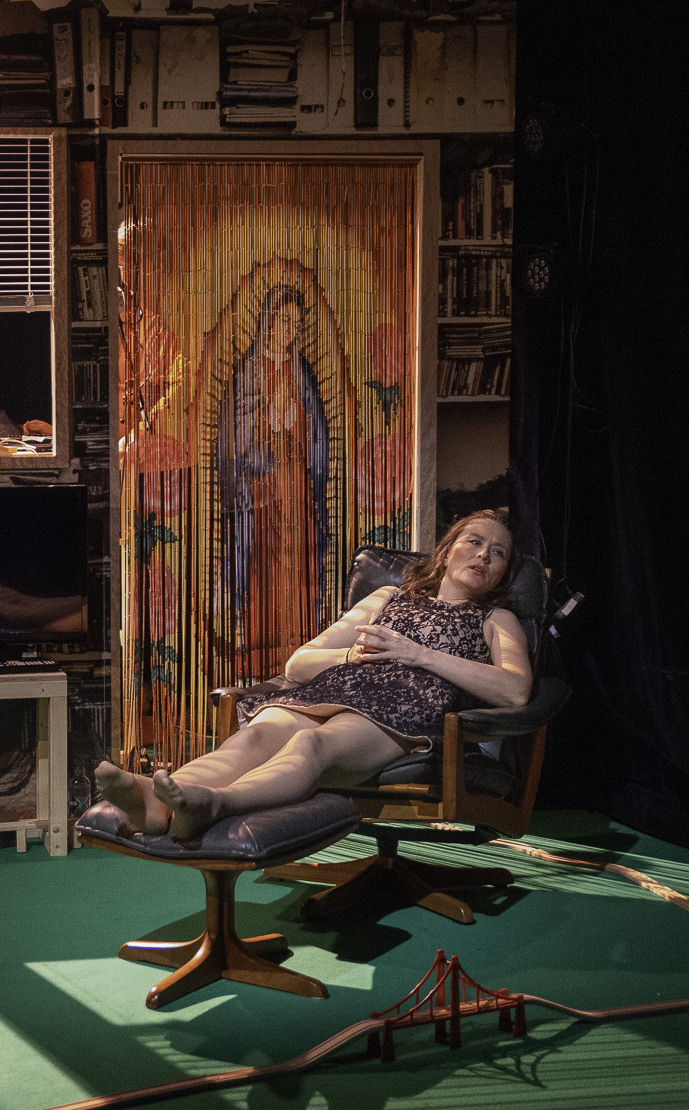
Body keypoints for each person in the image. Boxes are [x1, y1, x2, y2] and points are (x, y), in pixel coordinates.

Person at [95, 510, 533, 839]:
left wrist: (417, 654)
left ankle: (213, 805)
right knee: (256, 736)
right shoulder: (388, 596)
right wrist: (352, 655)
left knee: (311, 744)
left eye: (498, 553)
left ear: (503, 574)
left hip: (404, 707)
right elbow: (298, 664)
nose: (483, 555)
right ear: (447, 550)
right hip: (333, 688)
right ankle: (155, 802)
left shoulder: (497, 619)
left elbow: (515, 691)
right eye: (474, 541)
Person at [215, 284, 330, 674]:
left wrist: (292, 417)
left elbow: (316, 430)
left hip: (297, 485)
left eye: (296, 323)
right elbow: (235, 434)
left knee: (299, 564)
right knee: (264, 566)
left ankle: (302, 652)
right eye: (284, 320)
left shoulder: (302, 371)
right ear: (267, 321)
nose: (290, 329)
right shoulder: (248, 371)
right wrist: (269, 415)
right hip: (261, 489)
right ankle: (261, 655)